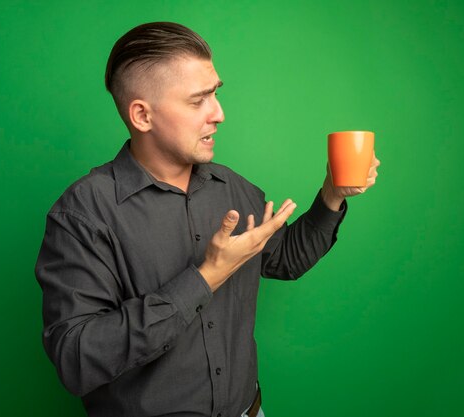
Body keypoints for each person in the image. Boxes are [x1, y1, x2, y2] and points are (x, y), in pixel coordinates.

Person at [35, 22, 380, 417]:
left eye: (215, 93)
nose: (219, 114)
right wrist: (205, 277)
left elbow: (285, 259)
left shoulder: (232, 188)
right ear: (142, 115)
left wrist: (332, 194)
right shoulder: (83, 214)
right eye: (198, 100)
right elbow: (77, 359)